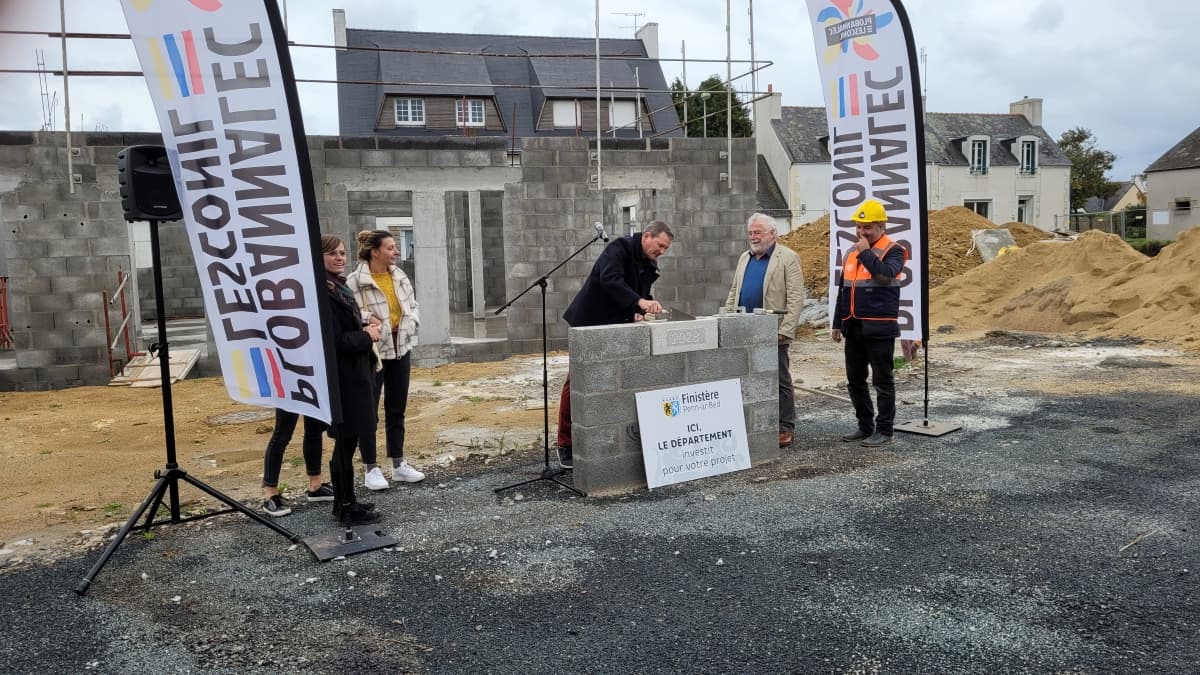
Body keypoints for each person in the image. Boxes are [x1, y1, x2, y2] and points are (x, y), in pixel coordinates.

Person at [556, 221, 674, 469]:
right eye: (660, 245)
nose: (662, 251)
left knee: (614, 379)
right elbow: (609, 280)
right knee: (576, 381)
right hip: (589, 322)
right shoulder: (619, 248)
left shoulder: (650, 264)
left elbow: (640, 294)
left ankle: (605, 435)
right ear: (647, 236)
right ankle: (566, 443)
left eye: (665, 248)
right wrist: (639, 302)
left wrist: (643, 308)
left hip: (617, 325)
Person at [346, 229, 426, 490]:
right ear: (375, 251)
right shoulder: (355, 282)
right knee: (368, 411)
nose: (396, 252)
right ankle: (371, 468)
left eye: (395, 247)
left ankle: (398, 464)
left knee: (397, 408)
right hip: (373, 353)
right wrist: (370, 321)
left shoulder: (400, 276)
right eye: (391, 248)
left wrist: (411, 323)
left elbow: (412, 306)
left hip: (400, 348)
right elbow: (350, 316)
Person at [831, 199, 908, 447]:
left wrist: (865, 251)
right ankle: (865, 426)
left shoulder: (894, 249)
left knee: (882, 381)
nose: (862, 232)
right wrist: (837, 323)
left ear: (881, 227)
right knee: (855, 379)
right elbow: (844, 290)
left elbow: (885, 275)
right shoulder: (851, 253)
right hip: (853, 326)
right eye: (859, 227)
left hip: (879, 328)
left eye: (868, 228)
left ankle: (884, 430)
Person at [725, 213, 805, 448]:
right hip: (744, 328)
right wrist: (727, 317)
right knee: (746, 375)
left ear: (772, 233)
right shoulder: (744, 258)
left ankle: (785, 426)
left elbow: (796, 296)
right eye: (750, 233)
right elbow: (734, 290)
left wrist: (787, 330)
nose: (753, 237)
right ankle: (754, 421)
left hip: (772, 329)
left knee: (779, 378)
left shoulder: (787, 258)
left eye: (758, 232)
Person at [321, 234, 383, 525]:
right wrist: (365, 335)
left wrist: (364, 321)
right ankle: (345, 505)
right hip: (344, 379)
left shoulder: (339, 286)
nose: (339, 258)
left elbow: (346, 324)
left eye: (343, 253)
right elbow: (334, 341)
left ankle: (347, 501)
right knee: (345, 443)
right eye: (332, 253)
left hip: (357, 374)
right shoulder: (324, 292)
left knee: (349, 442)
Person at [260, 411, 333, 517]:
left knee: (315, 429)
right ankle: (270, 494)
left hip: (311, 394)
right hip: (287, 395)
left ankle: (315, 486)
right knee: (282, 434)